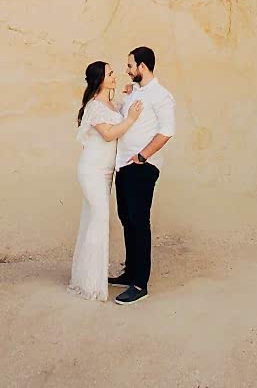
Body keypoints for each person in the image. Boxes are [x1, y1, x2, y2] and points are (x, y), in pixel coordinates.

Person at [68, 60, 143, 301]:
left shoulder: (111, 104)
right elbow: (109, 134)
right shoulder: (94, 106)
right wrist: (130, 119)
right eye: (110, 74)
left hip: (106, 172)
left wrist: (131, 94)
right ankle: (90, 284)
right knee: (98, 219)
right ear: (100, 79)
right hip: (92, 170)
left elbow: (120, 110)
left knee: (95, 220)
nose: (115, 77)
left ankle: (88, 277)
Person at [111, 46, 176, 305]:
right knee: (126, 218)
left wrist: (142, 156)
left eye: (130, 66)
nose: (127, 70)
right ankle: (130, 273)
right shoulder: (134, 93)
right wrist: (126, 93)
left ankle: (140, 284)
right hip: (123, 166)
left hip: (142, 167)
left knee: (139, 222)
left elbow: (167, 131)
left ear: (142, 66)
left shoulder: (161, 96)